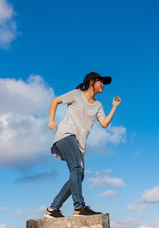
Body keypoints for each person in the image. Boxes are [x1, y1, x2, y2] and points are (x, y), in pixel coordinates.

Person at [44, 72, 122, 218]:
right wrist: (51, 120)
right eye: (101, 82)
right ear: (92, 81)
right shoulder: (76, 94)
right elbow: (55, 101)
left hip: (79, 142)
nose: (103, 85)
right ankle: (79, 207)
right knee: (76, 168)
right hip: (66, 135)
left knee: (79, 176)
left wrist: (114, 107)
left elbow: (104, 123)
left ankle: (53, 209)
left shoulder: (98, 105)